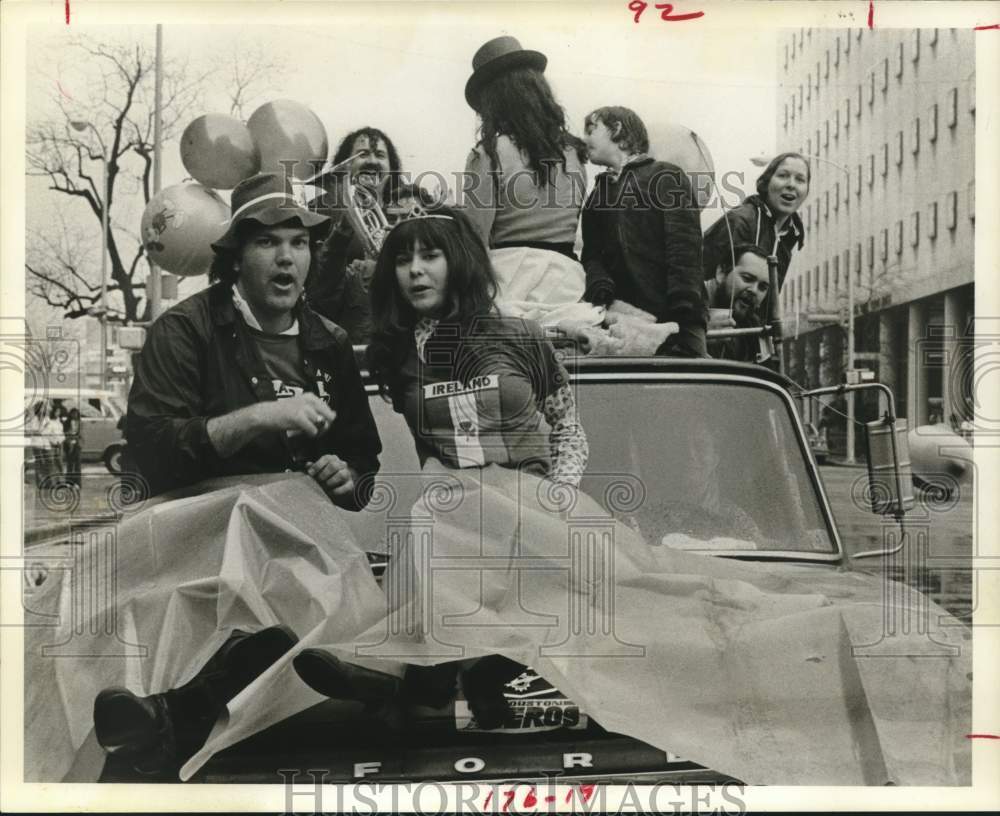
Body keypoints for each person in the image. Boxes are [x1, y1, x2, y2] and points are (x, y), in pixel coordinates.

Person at [102, 172, 383, 771]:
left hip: (298, 560)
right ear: (234, 258)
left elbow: (364, 466)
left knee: (368, 675)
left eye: (300, 242)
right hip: (196, 556)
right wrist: (256, 418)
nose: (287, 257)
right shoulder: (183, 330)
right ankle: (205, 696)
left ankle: (177, 713)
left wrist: (345, 475)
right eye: (267, 242)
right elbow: (149, 453)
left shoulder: (327, 342)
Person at [292, 204, 589, 726]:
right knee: (430, 517)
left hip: (531, 510)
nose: (414, 271)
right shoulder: (396, 352)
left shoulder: (523, 335)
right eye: (402, 260)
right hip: (452, 518)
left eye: (430, 256)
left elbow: (568, 429)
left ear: (461, 263)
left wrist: (559, 499)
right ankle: (428, 670)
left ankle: (416, 671)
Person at [460, 36, 596, 326]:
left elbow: (474, 243)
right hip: (568, 285)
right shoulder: (573, 153)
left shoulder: (487, 154)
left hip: (509, 282)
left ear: (492, 100)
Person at [580, 105, 707, 357]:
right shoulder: (596, 195)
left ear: (616, 129)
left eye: (591, 129)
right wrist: (599, 283)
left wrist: (684, 312)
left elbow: (684, 248)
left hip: (677, 320)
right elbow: (591, 254)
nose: (584, 139)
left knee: (685, 386)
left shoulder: (665, 175)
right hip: (626, 323)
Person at [308, 183, 438, 345]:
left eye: (407, 217)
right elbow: (320, 297)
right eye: (392, 218)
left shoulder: (437, 275)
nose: (396, 226)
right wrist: (343, 232)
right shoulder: (360, 271)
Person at [702, 151, 809, 291]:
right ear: (766, 182)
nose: (791, 185)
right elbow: (707, 283)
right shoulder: (739, 222)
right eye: (783, 175)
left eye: (800, 179)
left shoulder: (789, 234)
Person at [704, 245, 771, 362]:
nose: (754, 290)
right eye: (747, 278)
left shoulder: (753, 327)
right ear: (721, 273)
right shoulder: (686, 301)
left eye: (762, 287)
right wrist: (697, 335)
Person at [62, 406, 82, 489]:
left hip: (77, 444)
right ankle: (69, 482)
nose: (75, 415)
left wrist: (77, 438)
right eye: (73, 414)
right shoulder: (66, 422)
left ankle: (77, 483)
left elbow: (81, 434)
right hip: (69, 444)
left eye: (76, 414)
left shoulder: (80, 423)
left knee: (77, 465)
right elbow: (65, 433)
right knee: (70, 464)